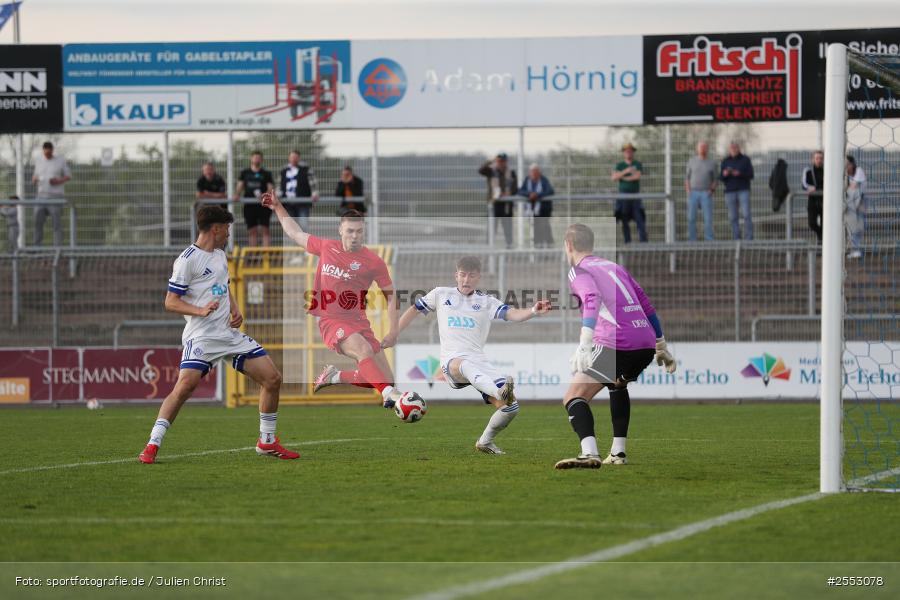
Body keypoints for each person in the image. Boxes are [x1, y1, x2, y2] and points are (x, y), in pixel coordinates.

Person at [138, 206, 298, 464]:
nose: (229, 233)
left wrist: (234, 309)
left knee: (272, 378)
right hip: (201, 336)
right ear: (216, 228)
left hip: (228, 334)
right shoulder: (187, 260)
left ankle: (266, 442)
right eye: (227, 228)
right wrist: (199, 310)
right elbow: (171, 301)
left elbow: (223, 287)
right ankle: (152, 444)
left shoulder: (221, 255)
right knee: (185, 387)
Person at [261, 191, 408, 408]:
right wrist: (278, 206)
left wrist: (394, 331)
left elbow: (392, 297)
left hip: (358, 321)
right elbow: (295, 233)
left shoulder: (374, 262)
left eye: (359, 231)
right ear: (340, 230)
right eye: (350, 231)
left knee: (384, 378)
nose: (354, 236)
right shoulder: (326, 247)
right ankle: (390, 395)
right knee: (366, 355)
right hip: (331, 319)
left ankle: (336, 377)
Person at [395, 256, 551, 454]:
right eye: (462, 275)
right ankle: (498, 391)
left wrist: (533, 310)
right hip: (453, 363)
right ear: (456, 275)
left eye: (471, 275)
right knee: (464, 365)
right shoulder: (441, 294)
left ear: (479, 277)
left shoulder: (486, 302)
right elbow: (414, 309)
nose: (466, 280)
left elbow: (513, 315)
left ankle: (485, 442)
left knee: (511, 407)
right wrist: (393, 334)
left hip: (479, 364)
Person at [554, 223, 676, 469]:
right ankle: (618, 453)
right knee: (617, 384)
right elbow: (646, 303)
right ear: (592, 244)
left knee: (574, 396)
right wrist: (660, 343)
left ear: (568, 245)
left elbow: (591, 298)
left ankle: (589, 453)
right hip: (645, 342)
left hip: (616, 341)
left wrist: (585, 342)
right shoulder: (614, 266)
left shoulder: (578, 271)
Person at [31, 141, 71, 247]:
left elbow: (68, 176)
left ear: (52, 150)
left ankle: (57, 249)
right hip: (41, 196)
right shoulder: (39, 160)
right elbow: (35, 176)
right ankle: (37, 249)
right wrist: (34, 179)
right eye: (45, 153)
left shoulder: (60, 161)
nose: (47, 155)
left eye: (49, 153)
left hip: (55, 197)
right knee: (37, 223)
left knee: (56, 225)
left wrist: (58, 181)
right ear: (43, 151)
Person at [234, 151, 275, 247]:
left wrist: (265, 195)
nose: (256, 159)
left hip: (264, 205)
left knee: (265, 230)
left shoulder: (266, 173)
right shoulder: (245, 173)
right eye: (255, 157)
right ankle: (254, 258)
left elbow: (270, 187)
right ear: (251, 159)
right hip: (249, 206)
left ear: (261, 160)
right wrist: (237, 194)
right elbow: (240, 185)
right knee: (252, 231)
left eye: (258, 158)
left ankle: (266, 257)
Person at [478, 153, 517, 249]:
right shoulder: (491, 171)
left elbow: (515, 188)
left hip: (507, 205)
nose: (501, 163)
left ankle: (509, 249)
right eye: (499, 161)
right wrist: (491, 160)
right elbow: (481, 170)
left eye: (502, 161)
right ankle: (489, 249)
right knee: (492, 229)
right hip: (494, 205)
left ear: (506, 162)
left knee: (508, 229)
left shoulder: (511, 172)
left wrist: (507, 194)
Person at [611, 142, 647, 243]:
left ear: (633, 152)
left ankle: (643, 242)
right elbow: (614, 177)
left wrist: (622, 177)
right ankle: (628, 242)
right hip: (623, 196)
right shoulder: (620, 165)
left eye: (630, 151)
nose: (628, 153)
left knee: (639, 218)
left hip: (635, 196)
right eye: (626, 151)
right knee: (624, 218)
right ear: (623, 153)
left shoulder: (637, 164)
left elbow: (637, 176)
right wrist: (626, 171)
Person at [720, 141, 755, 240]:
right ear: (729, 149)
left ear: (739, 148)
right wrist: (725, 174)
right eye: (732, 148)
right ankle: (736, 239)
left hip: (743, 190)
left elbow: (751, 175)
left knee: (746, 214)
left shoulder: (746, 160)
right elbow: (721, 178)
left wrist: (739, 173)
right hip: (730, 192)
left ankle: (749, 239)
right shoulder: (725, 161)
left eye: (735, 148)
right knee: (732, 217)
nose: (734, 149)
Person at [684, 141, 717, 241]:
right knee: (691, 218)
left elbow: (715, 179)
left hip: (706, 193)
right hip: (693, 193)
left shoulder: (712, 163)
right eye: (701, 147)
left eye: (704, 147)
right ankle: (692, 241)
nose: (702, 149)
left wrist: (711, 191)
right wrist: (688, 191)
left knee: (708, 219)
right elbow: (687, 178)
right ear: (697, 149)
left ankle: (709, 240)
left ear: (707, 149)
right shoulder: (691, 161)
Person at [279, 150, 319, 231]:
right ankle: (292, 244)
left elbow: (313, 184)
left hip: (302, 203)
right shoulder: (284, 170)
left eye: (296, 157)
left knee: (303, 226)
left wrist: (315, 193)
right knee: (290, 228)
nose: (294, 159)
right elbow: (278, 185)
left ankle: (303, 243)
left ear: (299, 158)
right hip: (287, 204)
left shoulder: (306, 169)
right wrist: (278, 195)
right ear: (289, 158)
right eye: (292, 157)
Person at [517, 163, 555, 247]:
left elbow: (550, 191)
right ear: (530, 173)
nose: (534, 174)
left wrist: (537, 195)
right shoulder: (527, 180)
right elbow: (520, 191)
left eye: (536, 172)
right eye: (532, 172)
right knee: (535, 230)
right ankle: (538, 249)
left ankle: (548, 247)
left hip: (543, 211)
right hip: (531, 211)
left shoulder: (544, 180)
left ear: (539, 172)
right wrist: (529, 194)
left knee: (545, 229)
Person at [845, 155, 867, 259]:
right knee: (850, 227)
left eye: (848, 164)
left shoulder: (859, 171)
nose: (846, 166)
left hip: (860, 202)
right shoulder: (844, 175)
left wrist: (847, 187)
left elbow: (854, 186)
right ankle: (854, 250)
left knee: (859, 226)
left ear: (852, 164)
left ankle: (857, 250)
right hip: (849, 204)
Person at [801, 151, 825, 243]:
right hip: (813, 201)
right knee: (812, 223)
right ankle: (820, 235)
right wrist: (811, 188)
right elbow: (804, 185)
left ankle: (821, 246)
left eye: (821, 158)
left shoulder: (826, 170)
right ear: (813, 159)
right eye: (817, 158)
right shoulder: (808, 171)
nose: (819, 160)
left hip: (824, 202)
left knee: (825, 225)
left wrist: (815, 188)